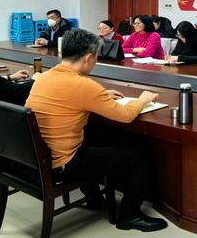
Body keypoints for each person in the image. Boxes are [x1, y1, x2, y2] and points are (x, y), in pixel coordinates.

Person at [25, 29, 168, 232]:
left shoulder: (44, 76)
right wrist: (143, 100)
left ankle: (93, 197)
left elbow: (70, 97)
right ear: (89, 58)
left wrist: (101, 95)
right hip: (65, 163)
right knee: (139, 157)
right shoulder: (83, 85)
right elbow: (126, 115)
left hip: (39, 157)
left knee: (94, 136)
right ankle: (129, 216)